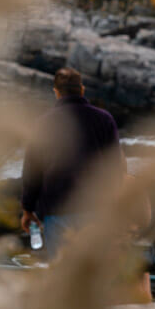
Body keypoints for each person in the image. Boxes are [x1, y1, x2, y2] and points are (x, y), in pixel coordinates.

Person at [20, 67, 125, 258]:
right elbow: (115, 168)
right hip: (96, 210)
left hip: (57, 211)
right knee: (93, 272)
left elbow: (32, 172)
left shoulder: (42, 124)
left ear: (56, 92)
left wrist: (28, 209)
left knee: (62, 275)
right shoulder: (104, 119)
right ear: (82, 89)